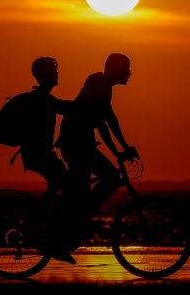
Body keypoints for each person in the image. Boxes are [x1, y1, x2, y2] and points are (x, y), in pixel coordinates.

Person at [55, 52, 139, 253]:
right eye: (126, 68)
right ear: (115, 69)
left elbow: (107, 120)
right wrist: (120, 150)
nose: (129, 73)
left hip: (82, 143)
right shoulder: (98, 81)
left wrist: (121, 149)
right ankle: (74, 224)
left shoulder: (105, 88)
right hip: (76, 144)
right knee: (106, 179)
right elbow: (105, 121)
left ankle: (75, 221)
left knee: (97, 184)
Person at [16, 56, 72, 201]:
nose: (57, 74)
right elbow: (68, 108)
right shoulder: (43, 99)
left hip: (40, 156)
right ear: (44, 75)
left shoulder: (42, 98)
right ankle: (46, 217)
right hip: (39, 156)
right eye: (54, 71)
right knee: (69, 185)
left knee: (58, 188)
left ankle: (47, 213)